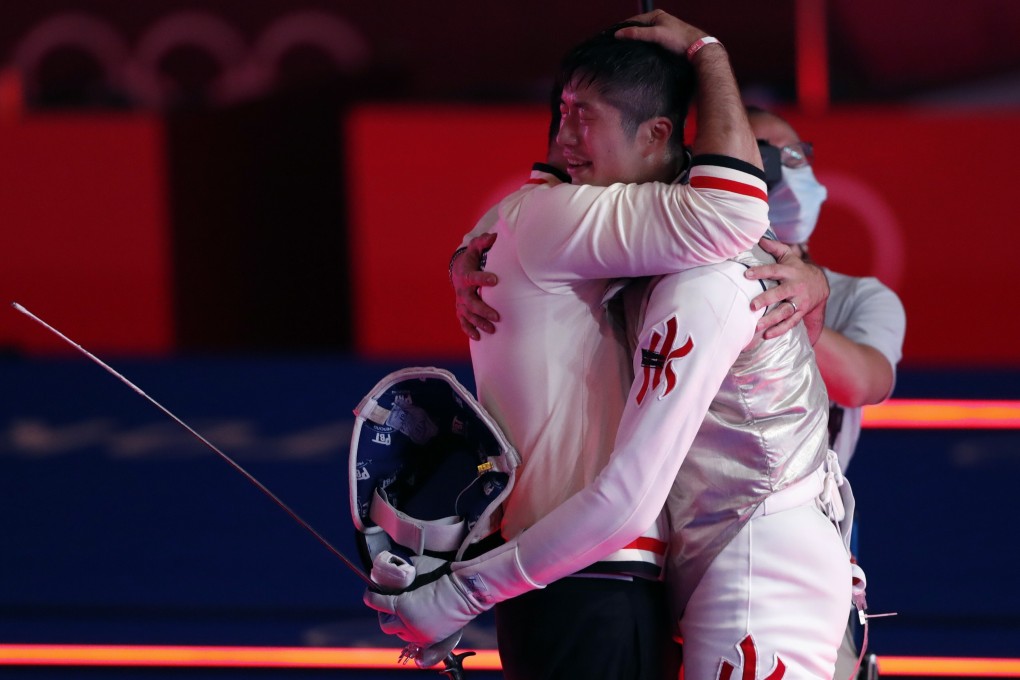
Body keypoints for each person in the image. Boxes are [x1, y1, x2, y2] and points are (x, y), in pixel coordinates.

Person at [365, 11, 841, 679]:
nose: (562, 141)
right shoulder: (615, 239)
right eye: (560, 114)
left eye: (582, 118)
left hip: (746, 558)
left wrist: (707, 51)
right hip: (644, 560)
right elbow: (543, 203)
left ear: (658, 134)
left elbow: (733, 209)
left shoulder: (711, 272)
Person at [743, 107, 906, 680]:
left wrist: (800, 296)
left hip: (812, 549)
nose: (796, 172)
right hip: (699, 546)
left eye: (801, 155)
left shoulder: (860, 296)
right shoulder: (687, 278)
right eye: (772, 157)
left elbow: (864, 381)